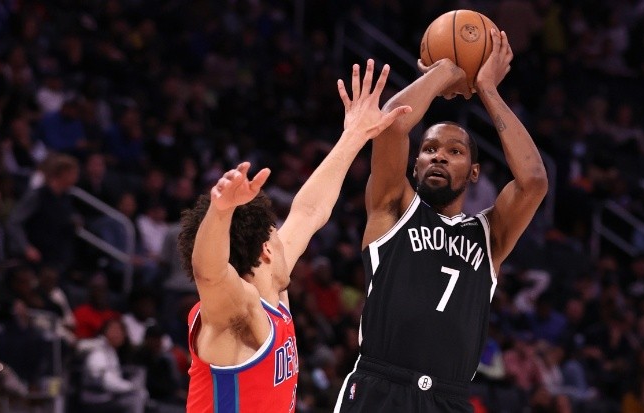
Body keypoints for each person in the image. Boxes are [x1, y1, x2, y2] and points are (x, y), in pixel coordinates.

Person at [176, 60, 410, 413]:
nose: (288, 238)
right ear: (267, 251)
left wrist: (355, 135)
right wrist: (219, 211)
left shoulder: (274, 294)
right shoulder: (239, 312)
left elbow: (310, 212)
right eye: (277, 233)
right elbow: (208, 272)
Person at [334, 29, 548, 413]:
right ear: (414, 165)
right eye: (429, 149)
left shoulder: (489, 236)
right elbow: (392, 123)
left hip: (449, 399)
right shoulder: (393, 209)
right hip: (381, 387)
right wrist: (446, 70)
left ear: (475, 172)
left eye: (454, 151)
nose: (439, 157)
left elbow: (533, 181)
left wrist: (487, 89)